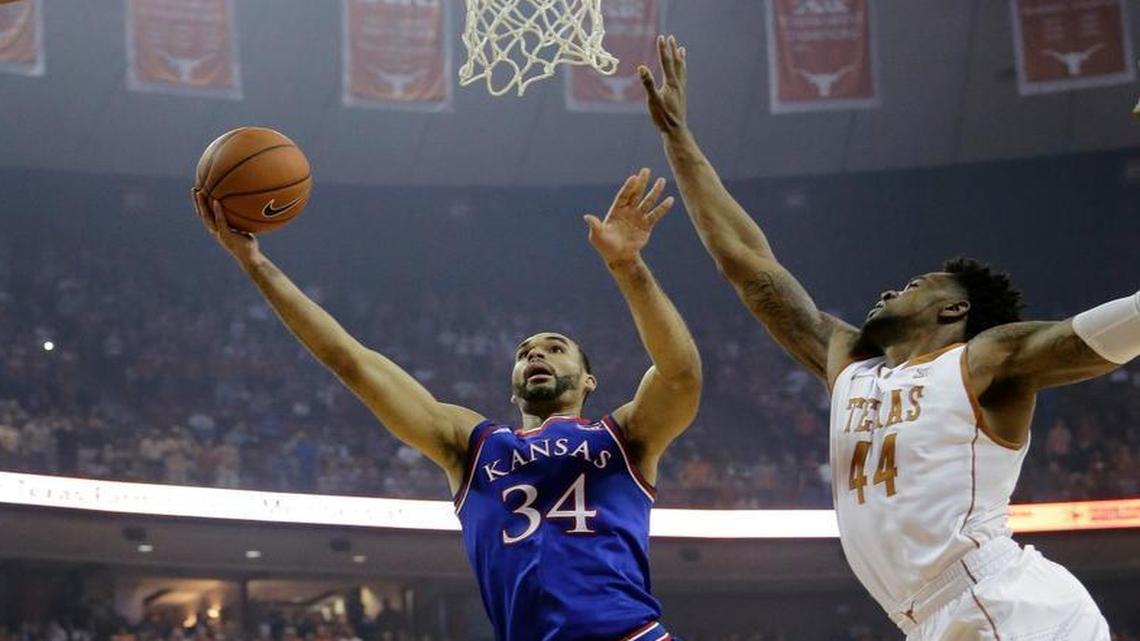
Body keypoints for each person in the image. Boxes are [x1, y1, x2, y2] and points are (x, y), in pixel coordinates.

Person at [640, 34, 1133, 641]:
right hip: (933, 617)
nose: (889, 291)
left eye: (913, 284)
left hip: (1003, 602)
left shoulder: (984, 359)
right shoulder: (848, 363)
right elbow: (748, 263)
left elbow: (1096, 338)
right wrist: (678, 140)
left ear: (954, 306)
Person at [192, 169, 701, 641]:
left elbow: (680, 377)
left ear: (588, 380)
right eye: (525, 353)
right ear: (513, 386)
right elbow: (352, 362)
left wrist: (628, 267)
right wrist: (255, 265)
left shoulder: (621, 437)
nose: (535, 354)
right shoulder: (473, 445)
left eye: (553, 347)